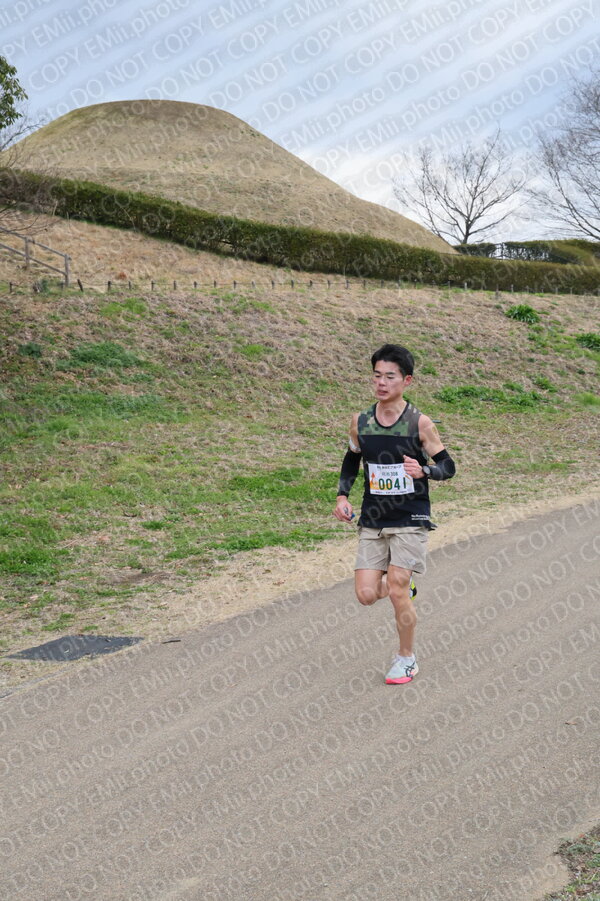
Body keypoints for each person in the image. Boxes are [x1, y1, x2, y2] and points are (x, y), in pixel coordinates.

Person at [333, 344, 456, 684]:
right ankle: (401, 581)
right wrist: (342, 496)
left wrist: (425, 471)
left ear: (407, 380)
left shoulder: (420, 423)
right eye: (377, 376)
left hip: (410, 517)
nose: (381, 383)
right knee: (366, 595)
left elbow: (448, 466)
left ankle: (406, 658)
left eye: (389, 376)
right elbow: (351, 459)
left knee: (398, 588)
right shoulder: (361, 421)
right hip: (374, 518)